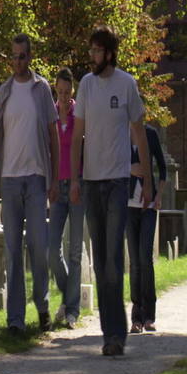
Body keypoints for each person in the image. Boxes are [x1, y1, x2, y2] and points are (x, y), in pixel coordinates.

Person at [70, 25, 152, 356]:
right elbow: (77, 136)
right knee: (101, 260)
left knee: (113, 261)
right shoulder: (87, 85)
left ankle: (117, 335)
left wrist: (146, 180)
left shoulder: (127, 84)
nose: (92, 56)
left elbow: (140, 134)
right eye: (90, 50)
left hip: (118, 181)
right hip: (91, 182)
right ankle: (109, 333)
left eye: (97, 51)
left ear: (110, 53)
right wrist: (74, 179)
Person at [0, 33, 60, 335]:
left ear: (30, 57)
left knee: (38, 247)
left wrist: (54, 178)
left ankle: (42, 308)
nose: (17, 61)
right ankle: (14, 320)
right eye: (13, 56)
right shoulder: (4, 91)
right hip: (10, 180)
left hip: (37, 178)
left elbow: (53, 135)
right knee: (13, 251)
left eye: (22, 56)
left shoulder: (41, 90)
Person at [48, 67, 84, 329]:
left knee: (74, 251)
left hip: (77, 185)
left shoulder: (78, 113)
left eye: (66, 92)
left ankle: (72, 311)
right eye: (59, 91)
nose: (62, 96)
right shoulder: (49, 113)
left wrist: (75, 182)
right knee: (52, 250)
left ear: (72, 91)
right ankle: (69, 295)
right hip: (56, 188)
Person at [126, 124, 166, 333]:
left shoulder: (150, 134)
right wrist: (129, 168)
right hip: (128, 206)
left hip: (149, 206)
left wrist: (159, 196)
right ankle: (136, 317)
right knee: (134, 263)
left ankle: (149, 315)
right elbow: (112, 164)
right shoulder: (121, 133)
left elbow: (162, 167)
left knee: (145, 259)